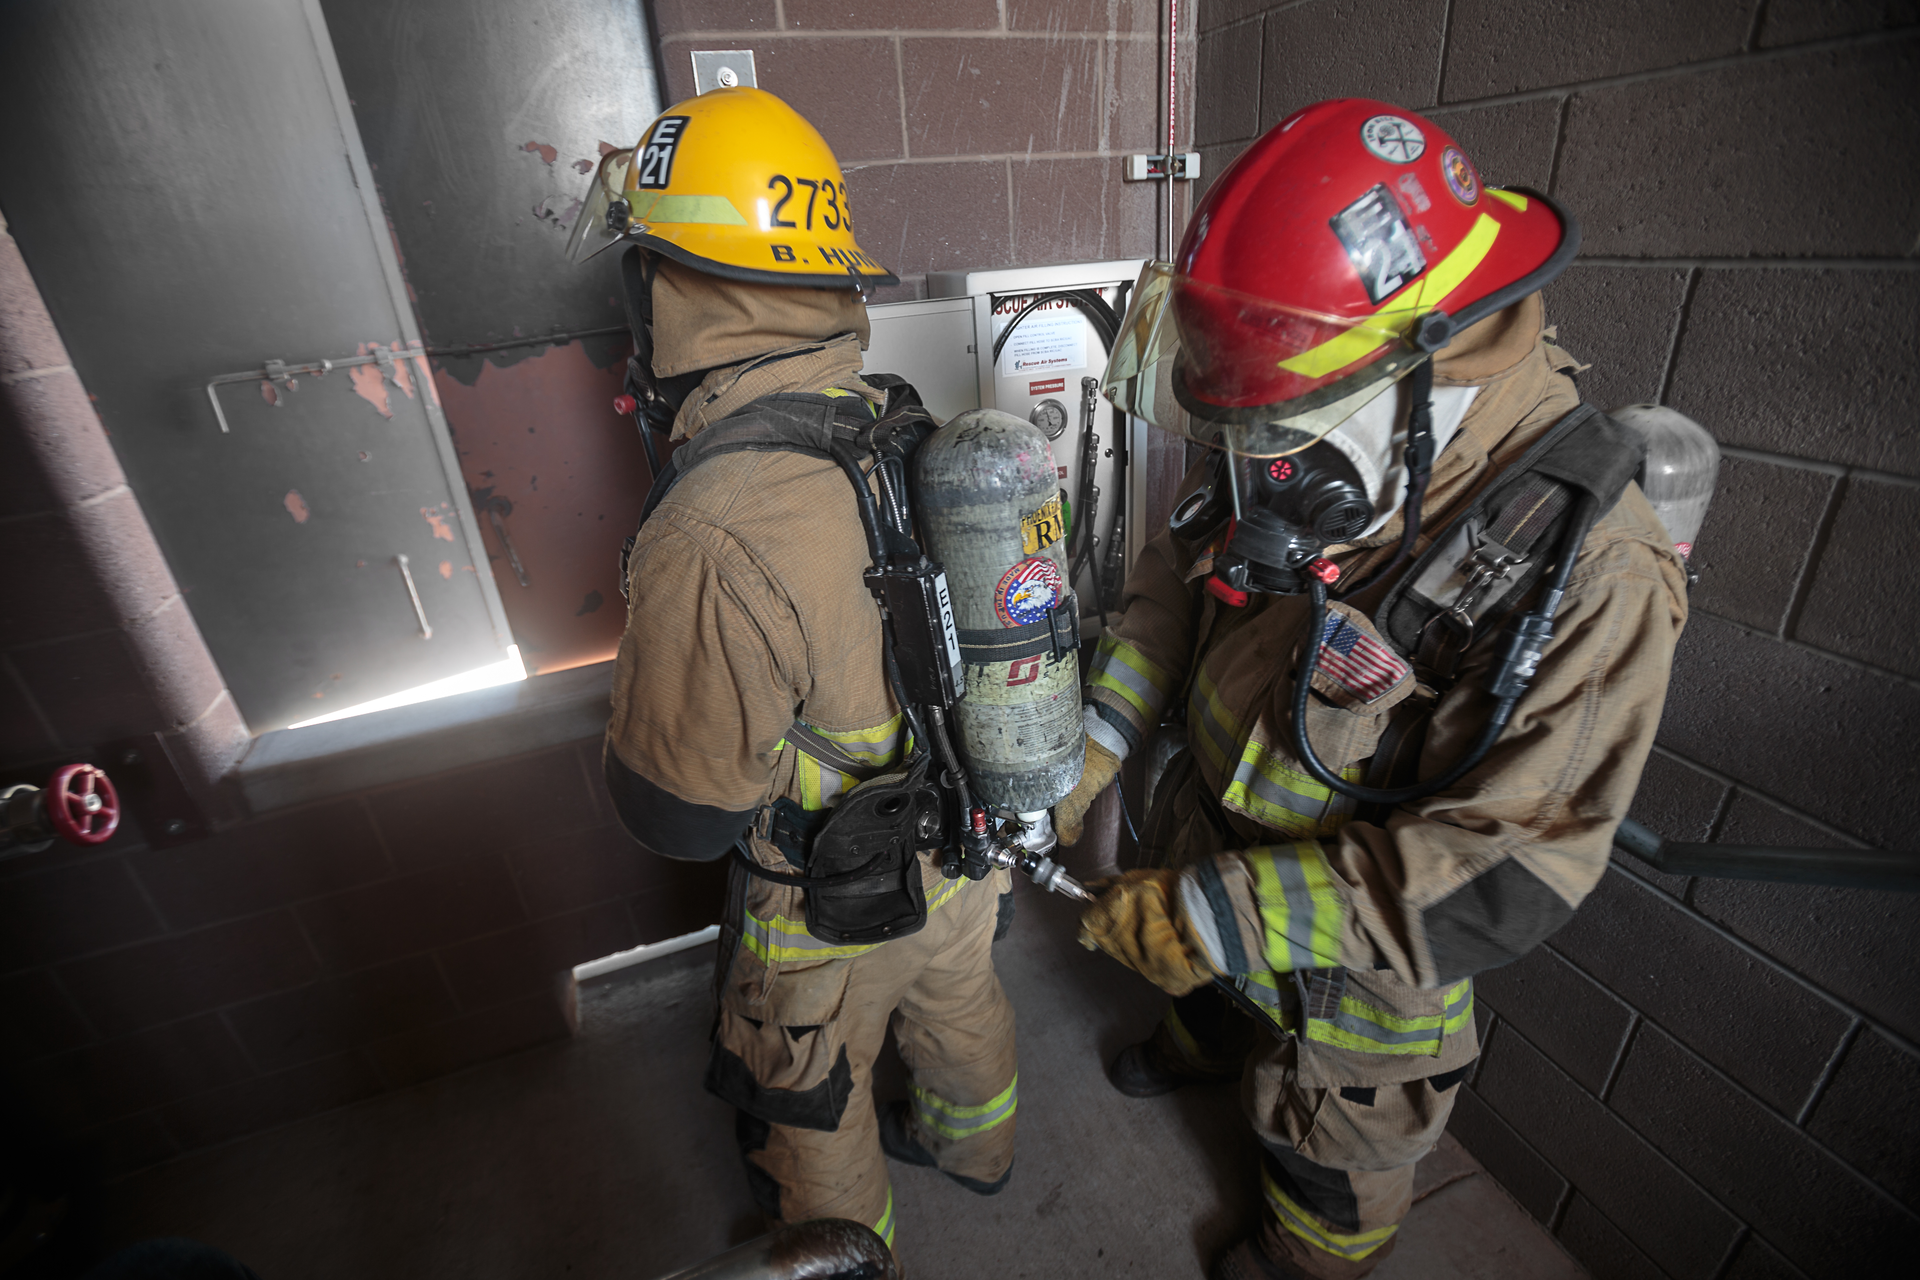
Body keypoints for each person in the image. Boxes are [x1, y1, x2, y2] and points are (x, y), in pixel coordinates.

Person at [1056, 99, 1687, 1280]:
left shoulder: (1593, 568)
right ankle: (1201, 1025)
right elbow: (1178, 578)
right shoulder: (1301, 413)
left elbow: (1510, 875)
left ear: (1421, 368)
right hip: (1205, 830)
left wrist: (1218, 917)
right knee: (1210, 993)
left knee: (1331, 1148)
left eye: (1274, 433)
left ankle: (1304, 1255)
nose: (1250, 465)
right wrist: (1100, 730)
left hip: (1358, 962)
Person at [589, 87, 1018, 1260]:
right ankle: (981, 1150)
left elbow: (681, 814)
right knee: (965, 1006)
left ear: (668, 286)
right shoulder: (904, 420)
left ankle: (845, 1250)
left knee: (808, 1100)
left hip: (823, 909)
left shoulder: (713, 526)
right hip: (964, 857)